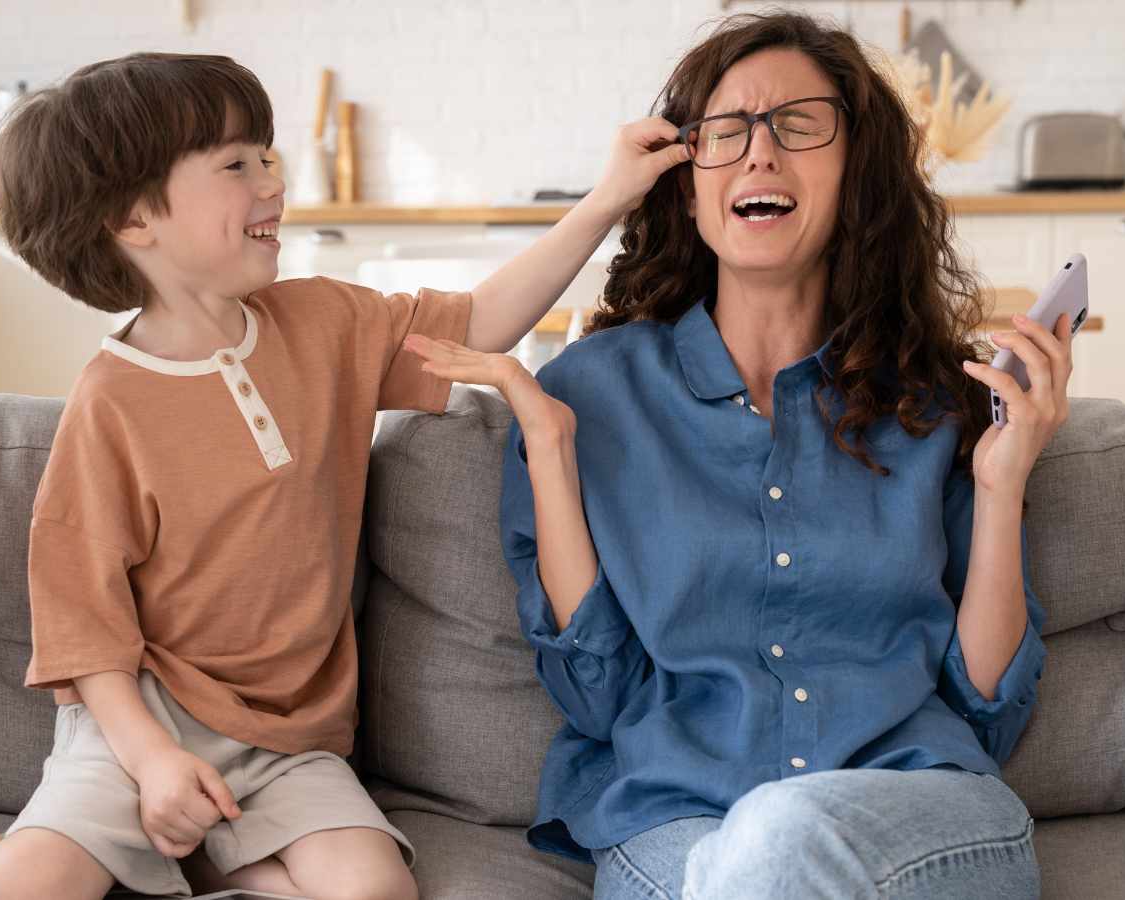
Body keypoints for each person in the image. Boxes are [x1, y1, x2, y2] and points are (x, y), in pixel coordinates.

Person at [0, 51, 687, 900]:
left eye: (266, 156)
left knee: (374, 892)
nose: (272, 181)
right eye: (235, 165)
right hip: (144, 721)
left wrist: (606, 198)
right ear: (135, 220)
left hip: (293, 739)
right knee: (13, 892)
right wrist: (151, 762)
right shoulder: (113, 403)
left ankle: (188, 858)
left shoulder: (327, 323)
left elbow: (483, 322)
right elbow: (85, 624)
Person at [404, 12, 1064, 899]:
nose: (761, 153)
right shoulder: (589, 395)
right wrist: (553, 451)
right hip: (677, 823)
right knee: (763, 852)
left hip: (912, 812)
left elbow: (986, 707)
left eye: (798, 125)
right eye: (726, 131)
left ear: (856, 173)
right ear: (685, 185)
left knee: (783, 838)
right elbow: (598, 700)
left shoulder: (934, 397)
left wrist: (1001, 483)